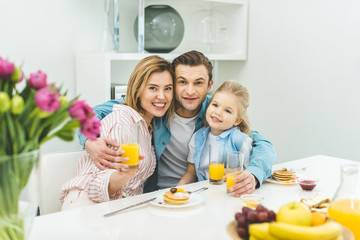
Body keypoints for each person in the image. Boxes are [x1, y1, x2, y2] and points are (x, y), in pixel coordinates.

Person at [78, 50, 276, 197]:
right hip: (154, 194)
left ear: (209, 85)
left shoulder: (215, 112)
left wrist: (254, 174)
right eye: (182, 82)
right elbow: (92, 112)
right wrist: (88, 140)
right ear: (173, 82)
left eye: (198, 83)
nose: (189, 91)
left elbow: (260, 143)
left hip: (199, 193)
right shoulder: (158, 106)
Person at [60, 56, 175, 210]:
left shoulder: (147, 125)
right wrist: (123, 175)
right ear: (137, 90)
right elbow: (95, 187)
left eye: (168, 88)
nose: (162, 96)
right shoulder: (122, 121)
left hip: (119, 206)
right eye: (153, 88)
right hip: (88, 206)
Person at [177, 80, 252, 185]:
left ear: (237, 120)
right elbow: (191, 172)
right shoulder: (198, 137)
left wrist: (229, 173)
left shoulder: (240, 141)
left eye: (227, 111)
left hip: (229, 193)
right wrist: (177, 190)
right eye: (215, 105)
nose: (218, 112)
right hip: (203, 193)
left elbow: (247, 172)